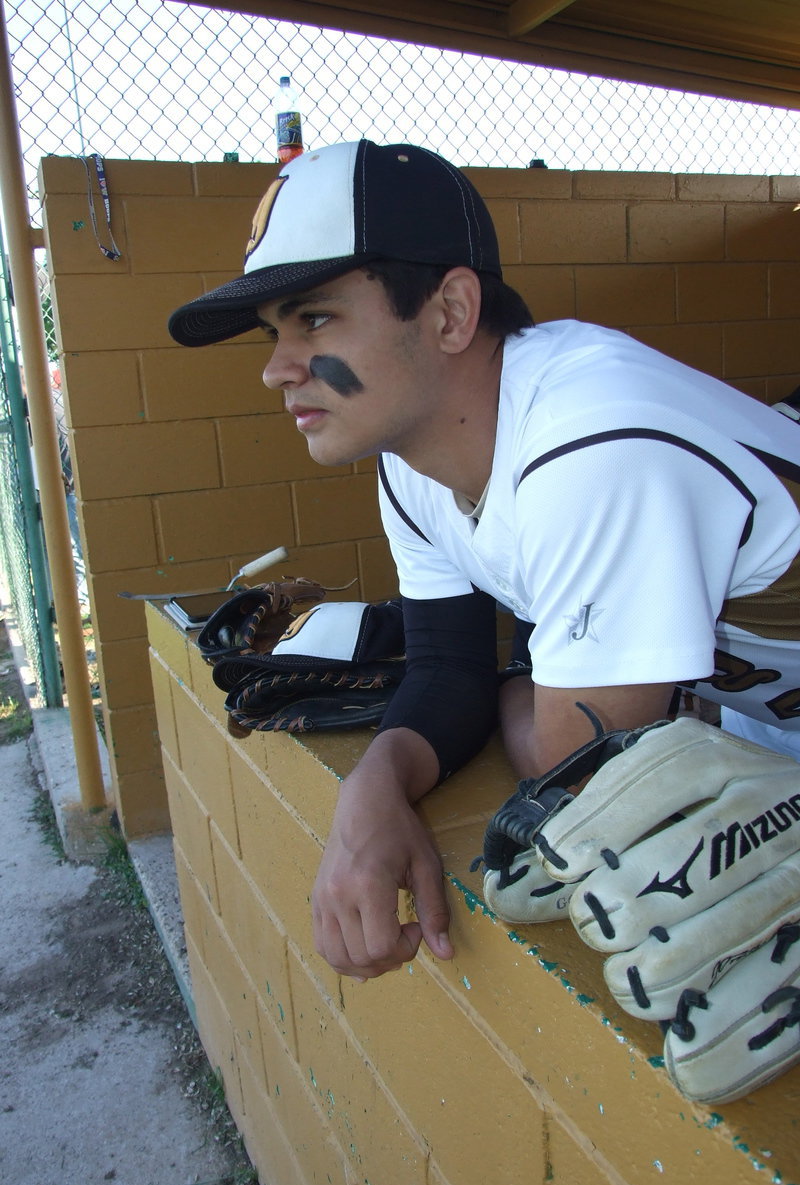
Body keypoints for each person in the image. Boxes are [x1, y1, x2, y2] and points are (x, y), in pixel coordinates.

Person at [169, 139, 800, 983]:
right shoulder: (412, 462)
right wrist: (374, 784)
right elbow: (448, 667)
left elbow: (584, 782)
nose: (275, 369)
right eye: (273, 331)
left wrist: (517, 686)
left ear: (451, 313)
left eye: (313, 319)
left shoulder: (590, 438)